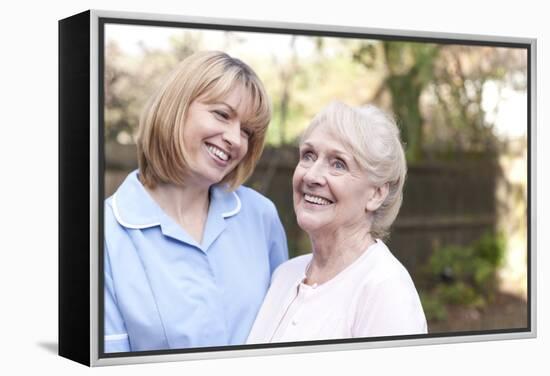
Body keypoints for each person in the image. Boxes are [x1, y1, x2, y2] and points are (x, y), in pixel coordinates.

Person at [104, 51, 289, 352]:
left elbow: (284, 334)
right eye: (222, 114)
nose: (235, 139)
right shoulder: (104, 236)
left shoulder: (261, 216)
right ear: (176, 107)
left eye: (247, 131)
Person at [247, 101, 427, 343]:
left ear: (376, 194)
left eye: (338, 164)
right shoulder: (284, 275)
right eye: (308, 156)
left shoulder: (385, 290)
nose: (311, 176)